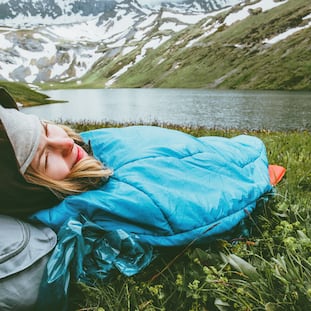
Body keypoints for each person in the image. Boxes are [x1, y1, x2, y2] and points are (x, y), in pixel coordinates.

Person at [0, 87, 285, 309]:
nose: (66, 143)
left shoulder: (85, 146)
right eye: (47, 157)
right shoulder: (94, 208)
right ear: (35, 190)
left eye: (48, 129)